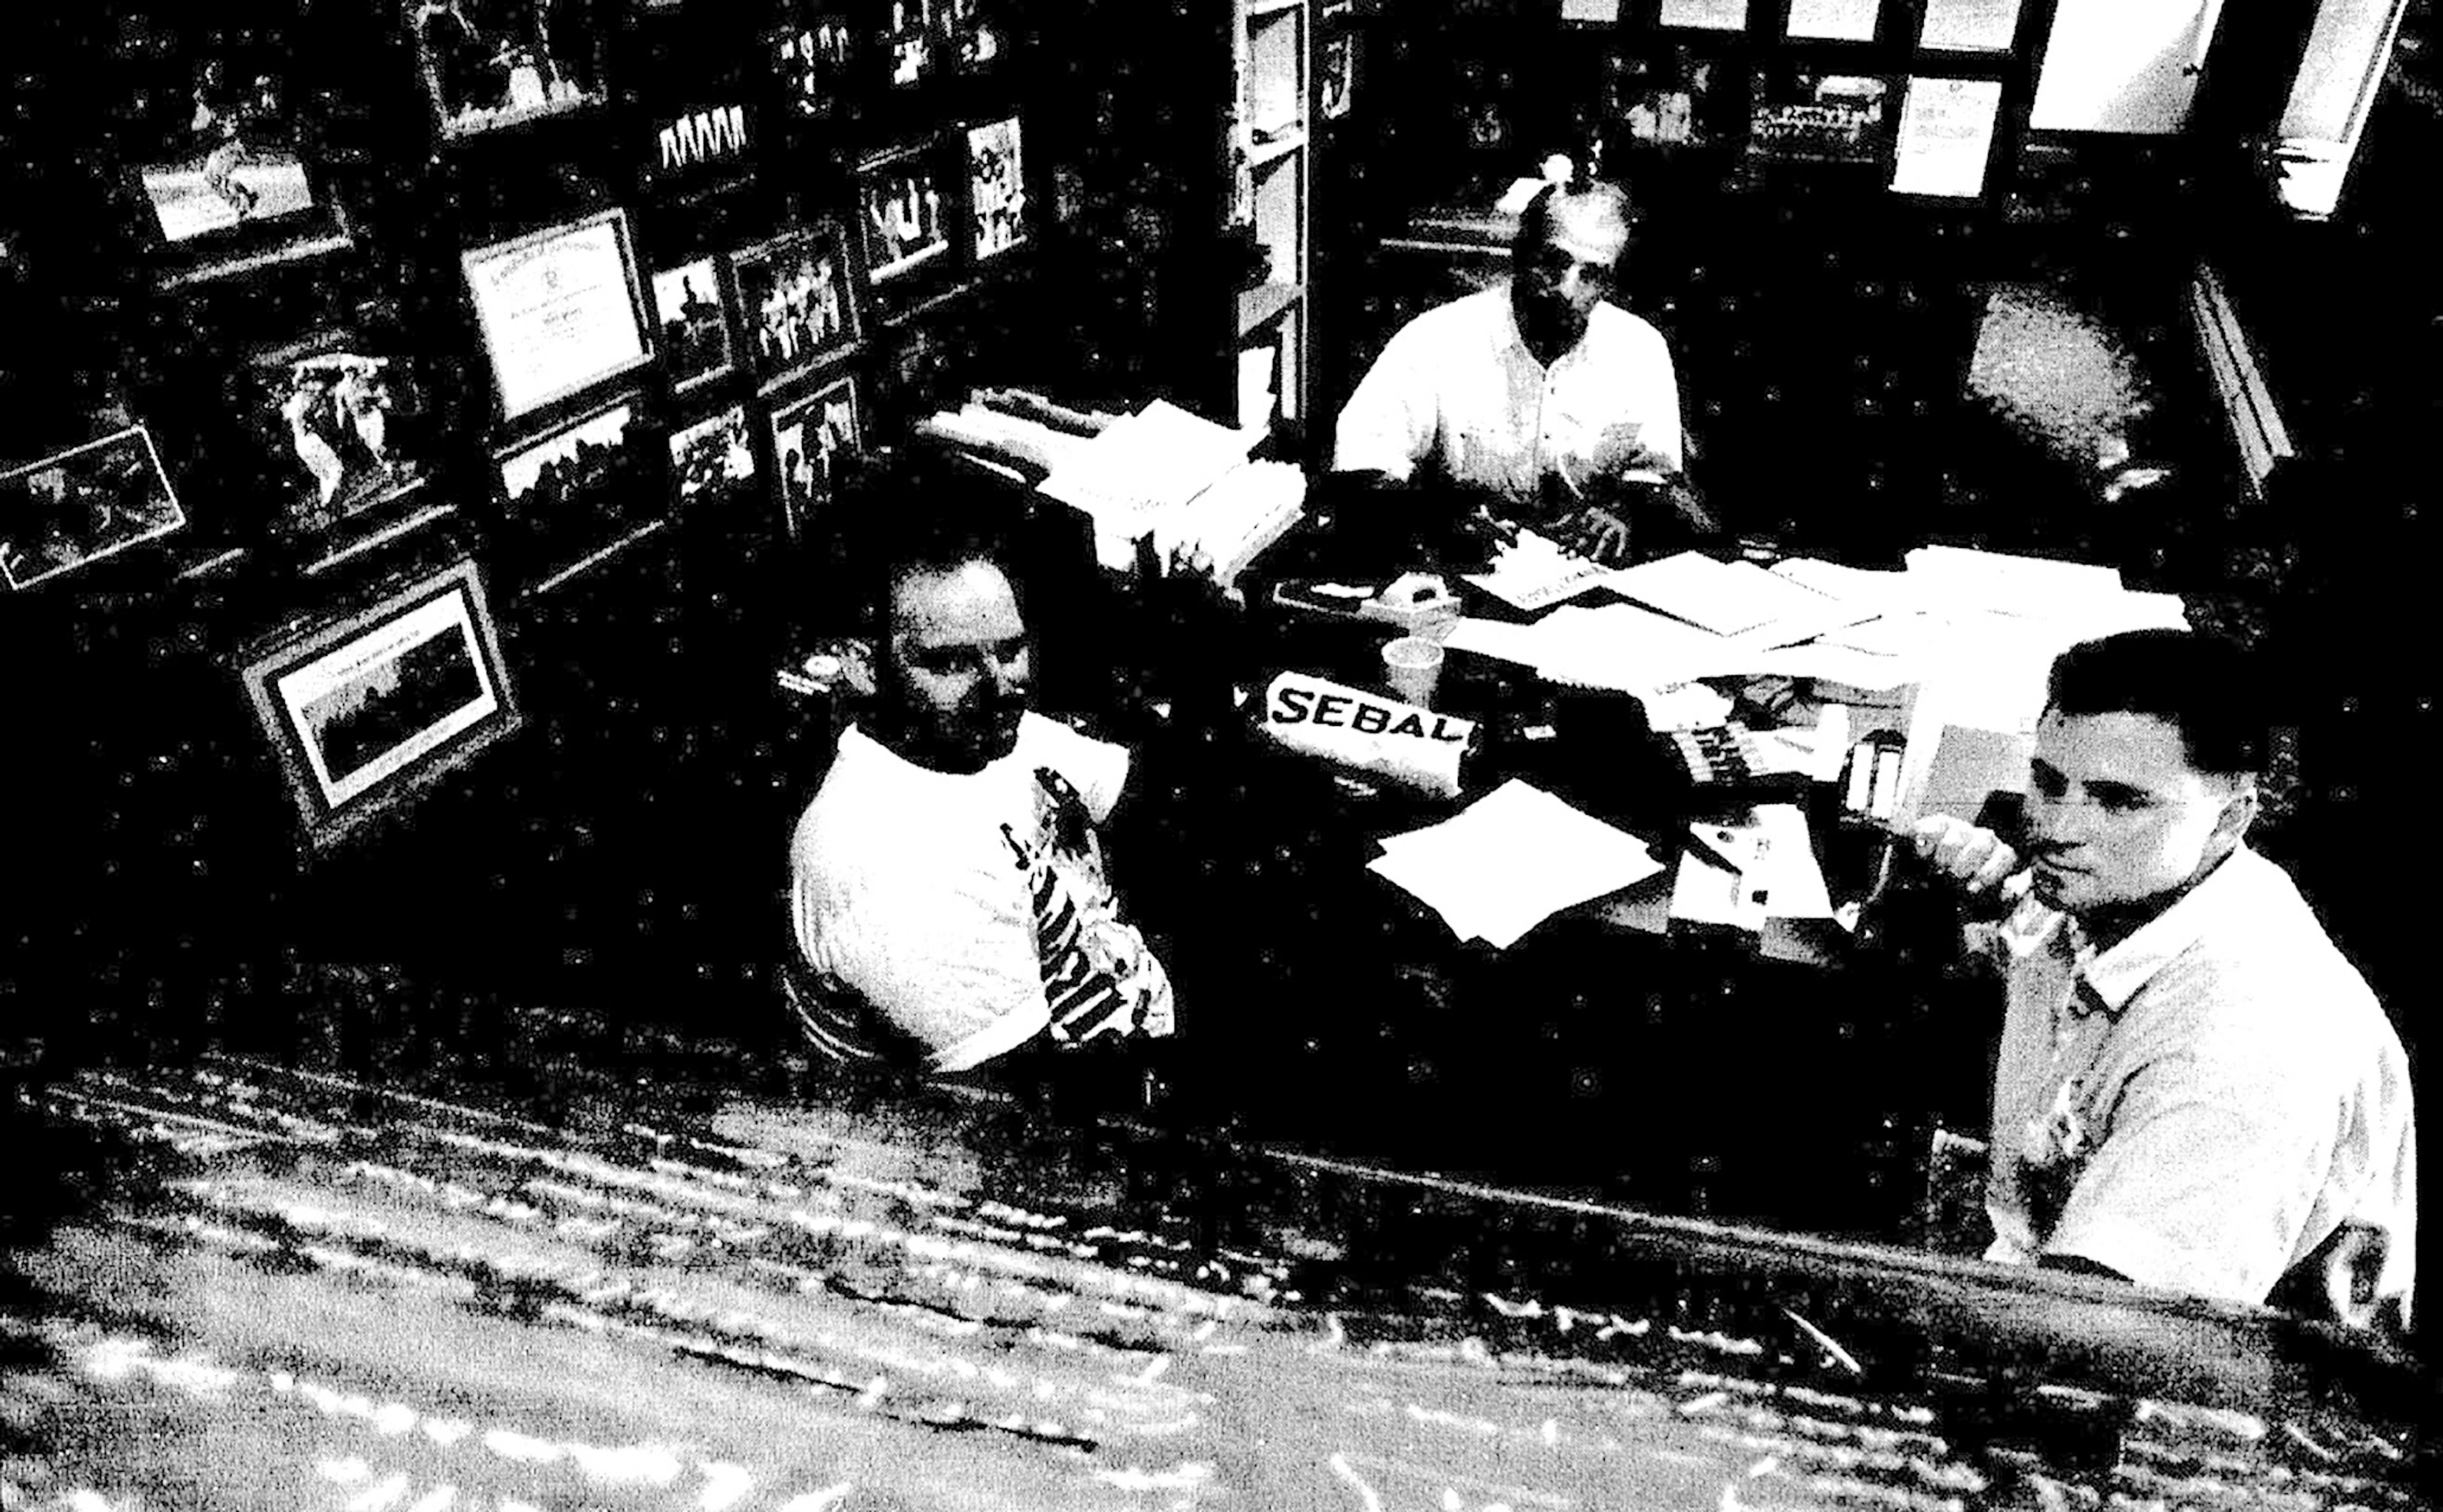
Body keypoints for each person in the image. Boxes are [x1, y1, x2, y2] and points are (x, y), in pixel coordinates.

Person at [1909, 629, 2414, 1331]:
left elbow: (2098, 1335)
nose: (2058, 828)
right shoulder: (2121, 890)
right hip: (2041, 1289)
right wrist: (1969, 896)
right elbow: (2026, 944)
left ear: (2231, 818)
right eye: (2049, 782)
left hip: (2178, 1391)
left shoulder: (2246, 1045)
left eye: (2119, 802)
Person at [786, 509, 1178, 1076]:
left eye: (1010, 650)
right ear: (865, 668)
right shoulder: (894, 865)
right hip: (1089, 1085)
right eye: (950, 663)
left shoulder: (973, 734)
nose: (1002, 687)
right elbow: (1034, 1103)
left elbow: (1149, 794)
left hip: (1132, 998)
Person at [1332, 176, 1717, 565]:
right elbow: (1360, 470)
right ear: (1521, 255)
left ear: (1611, 283)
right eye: (1554, 262)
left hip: (1585, 575)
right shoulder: (1436, 339)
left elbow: (1655, 480)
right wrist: (1436, 517)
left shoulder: (1639, 349)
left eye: (1592, 274)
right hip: (1461, 570)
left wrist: (1625, 514)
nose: (1567, 289)